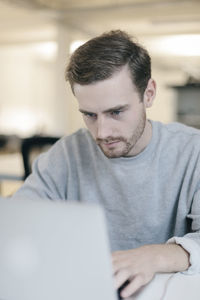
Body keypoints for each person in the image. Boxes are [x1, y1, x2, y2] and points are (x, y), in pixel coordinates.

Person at [12, 30, 200, 298]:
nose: (101, 132)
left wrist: (155, 256)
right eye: (89, 115)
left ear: (149, 94)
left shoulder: (193, 151)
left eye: (116, 112)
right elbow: (19, 221)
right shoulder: (67, 153)